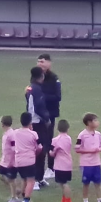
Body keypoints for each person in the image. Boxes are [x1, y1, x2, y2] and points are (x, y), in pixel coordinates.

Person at [75, 113, 101, 202]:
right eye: (95, 120)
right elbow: (77, 149)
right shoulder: (82, 135)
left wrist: (98, 149)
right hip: (86, 163)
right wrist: (90, 151)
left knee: (97, 182)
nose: (97, 122)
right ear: (89, 123)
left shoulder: (98, 134)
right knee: (86, 183)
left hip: (96, 163)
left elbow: (100, 146)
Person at [36, 53, 62, 182]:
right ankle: (37, 167)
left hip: (49, 113)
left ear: (49, 63)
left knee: (48, 140)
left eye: (42, 61)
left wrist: (41, 96)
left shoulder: (54, 79)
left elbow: (58, 97)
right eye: (38, 61)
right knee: (38, 141)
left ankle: (51, 168)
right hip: (37, 114)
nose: (40, 64)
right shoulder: (36, 77)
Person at [25, 66, 50, 190]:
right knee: (38, 151)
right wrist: (46, 118)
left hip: (33, 122)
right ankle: (34, 179)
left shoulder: (30, 87)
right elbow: (39, 107)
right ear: (41, 76)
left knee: (41, 150)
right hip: (37, 123)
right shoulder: (37, 89)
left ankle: (39, 178)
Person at [13, 112, 41, 202]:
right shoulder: (33, 134)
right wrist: (35, 153)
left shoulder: (16, 132)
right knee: (31, 181)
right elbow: (39, 147)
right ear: (30, 122)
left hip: (18, 161)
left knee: (24, 179)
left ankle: (24, 199)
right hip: (29, 160)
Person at [49, 119, 74, 202]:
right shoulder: (69, 138)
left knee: (63, 184)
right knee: (62, 183)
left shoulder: (55, 140)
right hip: (68, 163)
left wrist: (49, 151)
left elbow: (52, 153)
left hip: (60, 164)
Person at [0, 115, 19, 202]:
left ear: (2, 124)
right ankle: (16, 190)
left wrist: (11, 161)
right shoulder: (6, 133)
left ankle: (14, 197)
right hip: (5, 160)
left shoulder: (11, 134)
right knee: (1, 175)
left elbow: (14, 149)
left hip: (11, 162)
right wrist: (2, 158)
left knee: (11, 179)